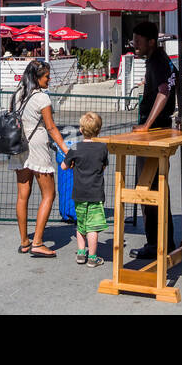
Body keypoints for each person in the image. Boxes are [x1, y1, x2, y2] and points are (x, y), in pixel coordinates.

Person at [7, 60, 69, 257]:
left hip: (19, 146)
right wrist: (66, 149)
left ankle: (25, 241)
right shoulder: (42, 98)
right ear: (37, 78)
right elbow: (51, 127)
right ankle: (38, 242)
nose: (49, 80)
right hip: (37, 147)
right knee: (49, 194)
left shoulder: (17, 94)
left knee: (22, 196)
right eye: (47, 77)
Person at [128, 20, 177, 261]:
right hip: (161, 129)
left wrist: (147, 125)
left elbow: (164, 90)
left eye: (138, 41)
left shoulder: (157, 59)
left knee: (147, 188)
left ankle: (155, 243)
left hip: (154, 133)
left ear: (150, 42)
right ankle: (164, 241)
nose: (134, 45)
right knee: (157, 187)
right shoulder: (161, 59)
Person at [61, 112, 108, 268]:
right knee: (93, 227)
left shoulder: (75, 147)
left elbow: (64, 166)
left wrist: (73, 163)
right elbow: (103, 166)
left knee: (81, 224)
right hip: (95, 192)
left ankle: (81, 254)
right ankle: (93, 257)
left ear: (81, 130)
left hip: (79, 192)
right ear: (98, 130)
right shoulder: (102, 148)